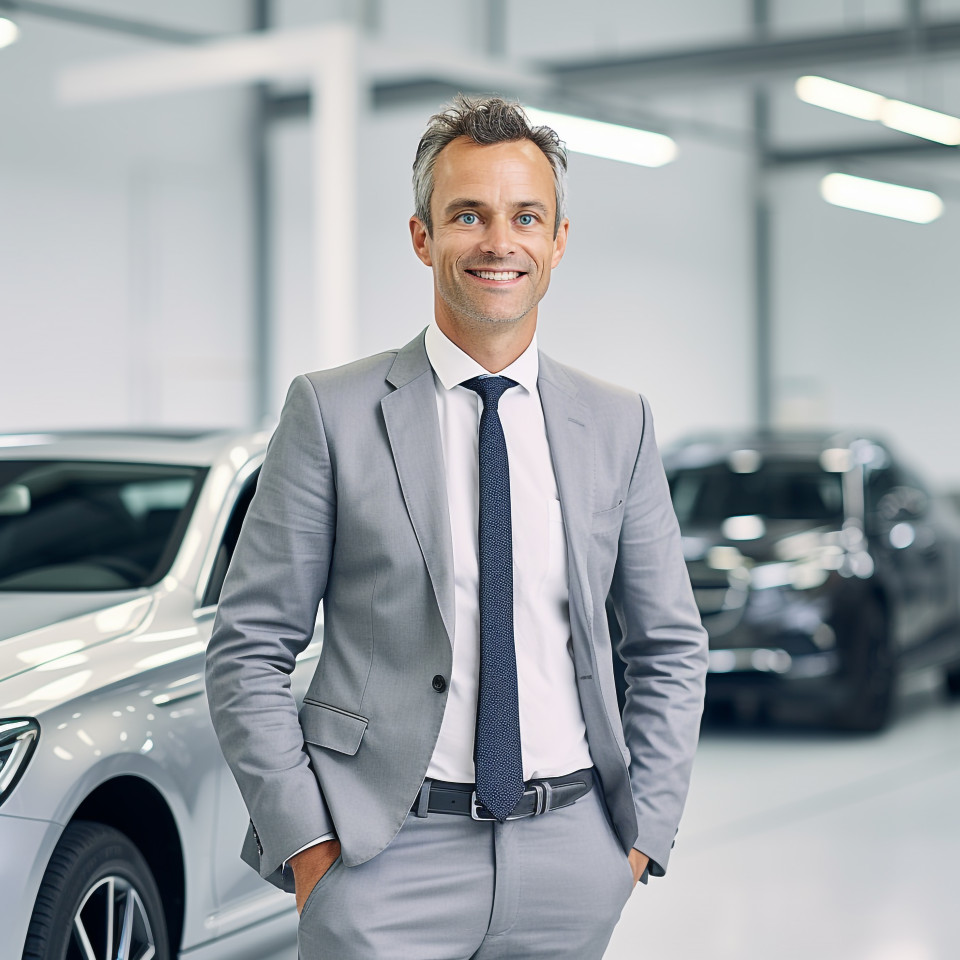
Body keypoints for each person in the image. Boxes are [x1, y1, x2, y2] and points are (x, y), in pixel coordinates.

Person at [205, 94, 708, 960]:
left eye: (525, 217)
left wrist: (636, 842)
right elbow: (248, 644)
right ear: (422, 236)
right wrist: (310, 849)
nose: (497, 242)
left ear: (557, 242)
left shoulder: (616, 420)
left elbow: (669, 644)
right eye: (467, 214)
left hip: (571, 858)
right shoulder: (331, 411)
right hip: (382, 856)